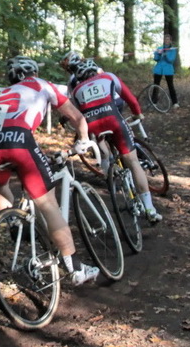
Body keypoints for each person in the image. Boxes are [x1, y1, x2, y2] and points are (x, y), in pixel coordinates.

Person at [0, 55, 100, 286]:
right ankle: (75, 269)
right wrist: (83, 140)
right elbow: (76, 117)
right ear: (34, 72)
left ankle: (14, 222)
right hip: (19, 141)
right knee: (48, 204)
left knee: (0, 186)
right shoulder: (43, 85)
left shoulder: (3, 93)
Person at [70, 58, 163, 223]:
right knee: (133, 162)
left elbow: (77, 117)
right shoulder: (108, 77)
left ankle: (110, 179)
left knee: (104, 154)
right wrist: (137, 113)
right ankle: (150, 208)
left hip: (94, 125)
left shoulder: (76, 89)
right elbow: (130, 99)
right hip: (114, 120)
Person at [152, 34, 179, 108]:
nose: (166, 41)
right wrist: (158, 54)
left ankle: (175, 102)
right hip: (158, 69)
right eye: (165, 39)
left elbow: (171, 60)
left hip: (168, 70)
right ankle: (154, 102)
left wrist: (166, 54)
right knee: (156, 85)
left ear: (170, 41)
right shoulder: (160, 48)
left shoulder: (172, 49)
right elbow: (156, 59)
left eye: (168, 39)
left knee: (171, 86)